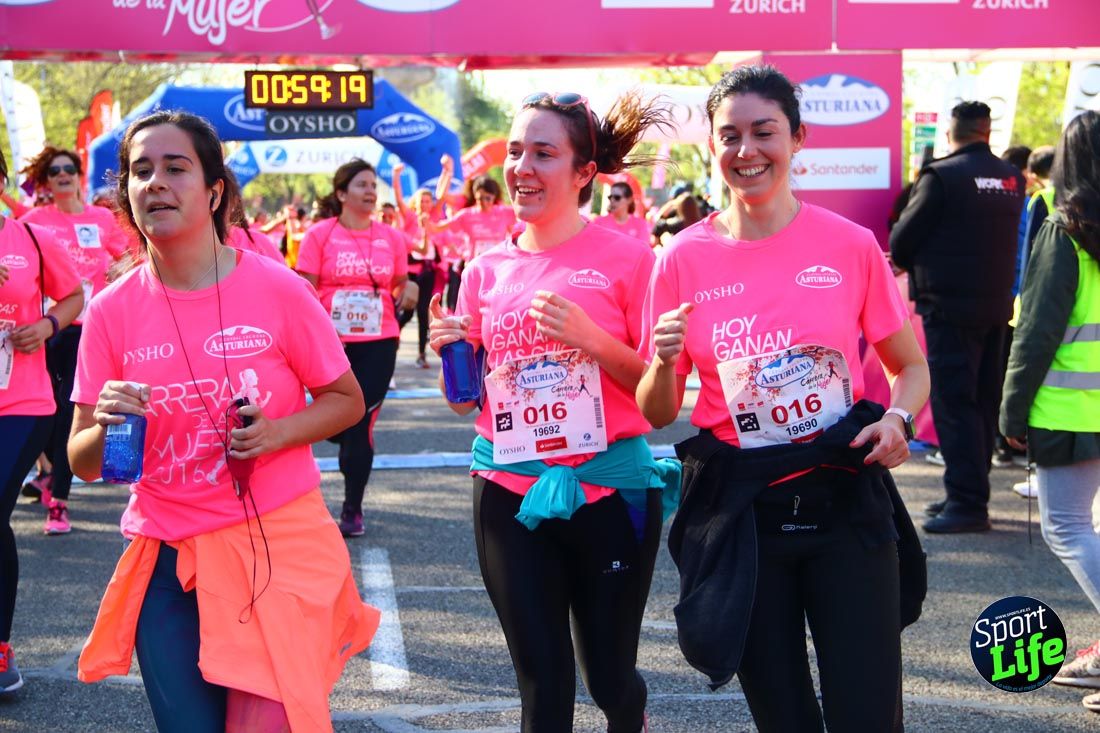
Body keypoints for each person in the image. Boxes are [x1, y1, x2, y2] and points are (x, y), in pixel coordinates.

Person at [636, 65, 929, 733]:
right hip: (744, 519)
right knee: (784, 718)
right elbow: (656, 410)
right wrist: (663, 357)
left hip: (845, 504)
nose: (747, 151)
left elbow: (907, 367)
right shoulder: (681, 258)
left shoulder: (851, 246)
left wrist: (897, 417)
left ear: (797, 138)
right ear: (710, 146)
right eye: (729, 135)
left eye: (764, 132)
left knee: (867, 716)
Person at [68, 111, 379, 731]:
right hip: (167, 550)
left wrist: (276, 434)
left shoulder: (278, 288)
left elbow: (347, 398)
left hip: (277, 543)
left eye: (175, 168)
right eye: (141, 171)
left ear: (214, 192)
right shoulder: (110, 311)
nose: (155, 182)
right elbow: (82, 459)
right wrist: (105, 424)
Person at [428, 89, 677, 732]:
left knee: (609, 677)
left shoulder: (630, 259)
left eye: (544, 153)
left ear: (584, 172)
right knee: (543, 679)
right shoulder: (485, 269)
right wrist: (455, 360)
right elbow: (467, 402)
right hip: (508, 487)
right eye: (515, 152)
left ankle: (632, 714)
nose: (522, 168)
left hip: (610, 492)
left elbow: (658, 400)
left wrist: (592, 341)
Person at [999, 111, 1100, 716]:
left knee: (1066, 526)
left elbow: (1036, 330)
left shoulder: (1067, 228)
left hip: (1067, 407)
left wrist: (1010, 410)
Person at [890, 101, 1025, 533]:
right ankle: (968, 494)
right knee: (982, 402)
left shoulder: (943, 175)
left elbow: (903, 238)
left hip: (948, 307)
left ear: (952, 133)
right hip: (995, 307)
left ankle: (967, 503)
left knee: (954, 403)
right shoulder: (1011, 177)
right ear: (986, 131)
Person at [297, 158, 417, 537]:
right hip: (330, 342)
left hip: (379, 341)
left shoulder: (391, 237)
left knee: (360, 420)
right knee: (341, 419)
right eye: (362, 185)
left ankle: (353, 508)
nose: (370, 191)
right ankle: (333, 428)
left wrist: (409, 289)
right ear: (341, 193)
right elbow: (302, 287)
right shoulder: (319, 235)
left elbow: (399, 284)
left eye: (373, 185)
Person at [0, 148, 84, 693]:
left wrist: (48, 324)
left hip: (21, 403)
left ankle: (0, 651)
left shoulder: (30, 238)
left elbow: (74, 295)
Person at [18, 146, 129, 534]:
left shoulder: (100, 218)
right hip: (47, 328)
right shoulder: (35, 221)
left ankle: (59, 503)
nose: (63, 175)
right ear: (47, 182)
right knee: (44, 414)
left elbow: (129, 254)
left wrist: (120, 273)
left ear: (79, 175)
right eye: (55, 171)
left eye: (69, 169)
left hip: (90, 327)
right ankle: (47, 469)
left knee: (68, 412)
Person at [391, 161, 445, 369]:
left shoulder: (433, 216)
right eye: (421, 200)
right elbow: (397, 197)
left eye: (427, 201)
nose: (425, 204)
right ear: (416, 202)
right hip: (411, 270)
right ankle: (392, 337)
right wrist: (396, 176)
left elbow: (443, 193)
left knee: (424, 311)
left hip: (428, 269)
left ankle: (421, 354)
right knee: (406, 310)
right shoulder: (410, 216)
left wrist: (447, 171)